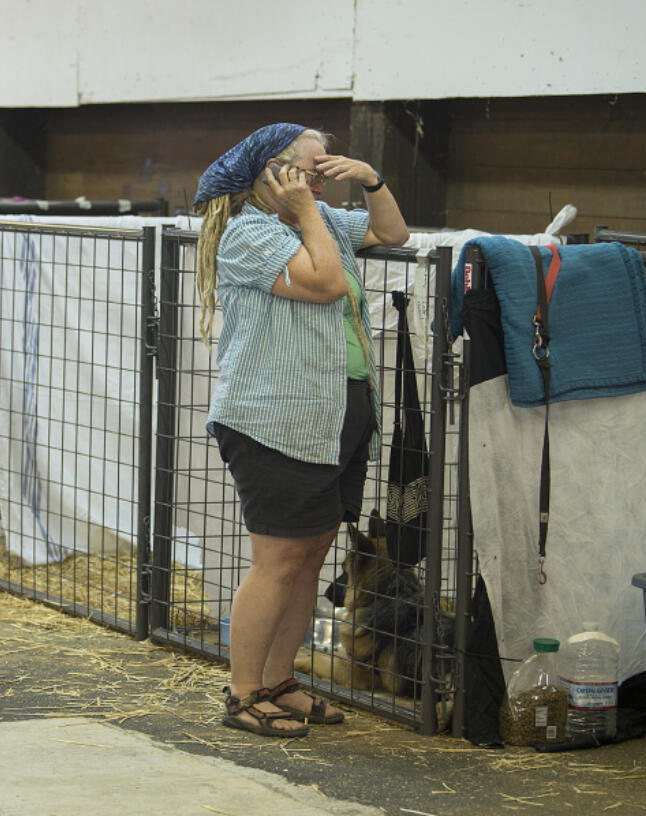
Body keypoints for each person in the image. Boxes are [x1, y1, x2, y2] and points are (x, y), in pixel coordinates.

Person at [194, 123, 409, 736]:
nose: (323, 180)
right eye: (314, 170)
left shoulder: (315, 222)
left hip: (336, 413)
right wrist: (307, 209)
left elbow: (393, 233)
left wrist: (370, 179)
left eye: (326, 170)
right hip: (275, 418)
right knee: (278, 561)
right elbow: (326, 283)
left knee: (312, 555)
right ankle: (242, 693)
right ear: (272, 174)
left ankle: (278, 679)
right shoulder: (248, 233)